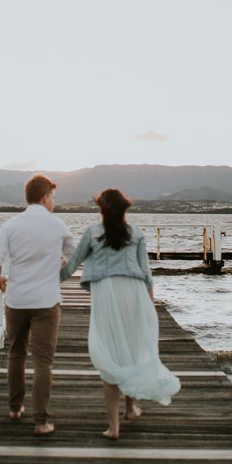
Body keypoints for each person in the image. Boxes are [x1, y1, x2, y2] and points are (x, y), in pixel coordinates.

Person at [61, 188, 179, 439]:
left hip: (106, 292)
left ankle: (113, 426)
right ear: (125, 209)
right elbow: (146, 273)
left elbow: (71, 266)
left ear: (101, 209)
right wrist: (150, 305)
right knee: (133, 348)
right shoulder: (136, 233)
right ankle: (130, 408)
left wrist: (44, 279)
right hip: (134, 292)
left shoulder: (93, 232)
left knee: (109, 353)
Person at [0, 174, 77, 435]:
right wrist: (58, 269)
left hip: (16, 299)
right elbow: (74, 258)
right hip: (46, 301)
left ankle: (15, 408)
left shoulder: (11, 225)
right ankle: (41, 421)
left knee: (16, 353)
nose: (54, 203)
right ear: (44, 197)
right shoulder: (58, 225)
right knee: (43, 361)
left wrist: (0, 281)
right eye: (53, 198)